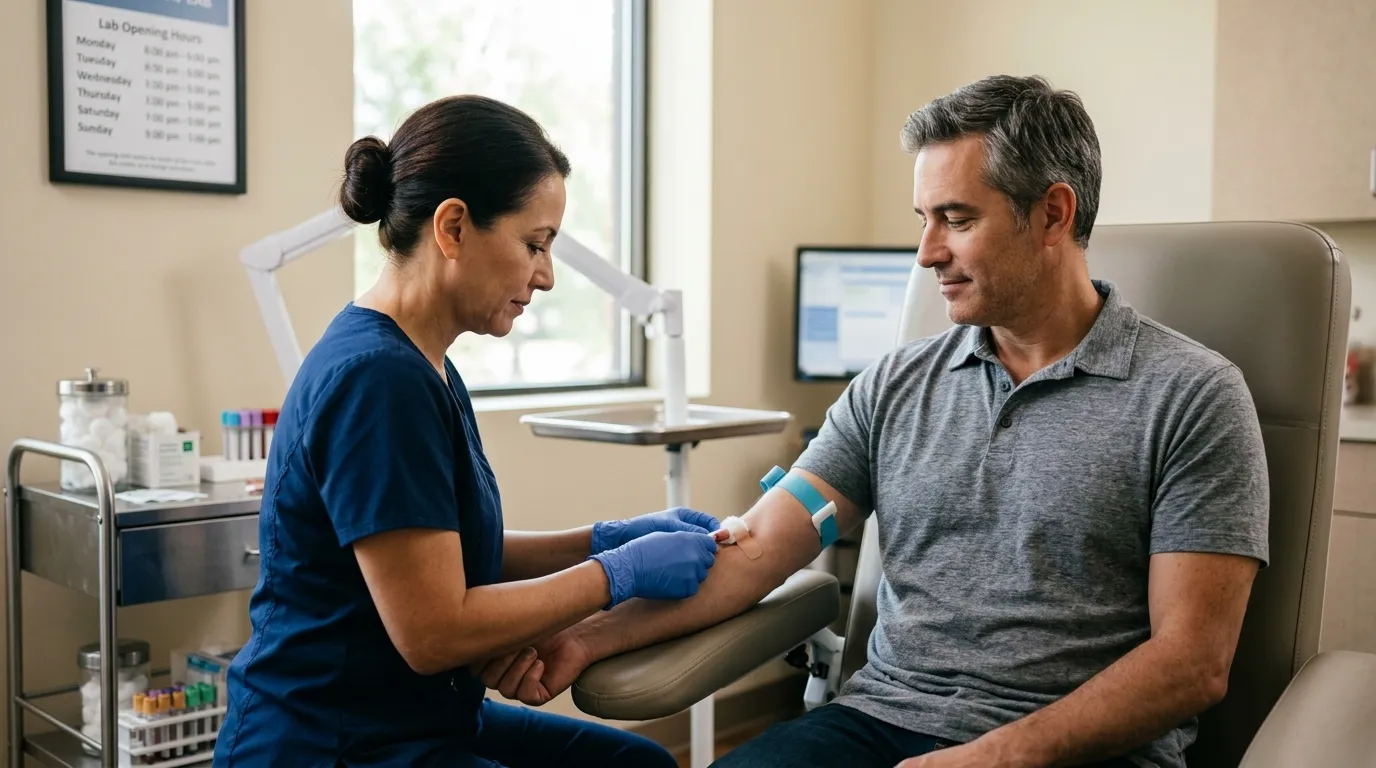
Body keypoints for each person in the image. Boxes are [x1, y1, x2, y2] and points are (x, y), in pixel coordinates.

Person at [482, 75, 1270, 768]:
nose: (925, 253)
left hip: (1076, 749)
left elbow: (1191, 663)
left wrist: (997, 756)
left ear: (1053, 214)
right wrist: (586, 635)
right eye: (924, 218)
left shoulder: (1191, 397)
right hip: (877, 723)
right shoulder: (896, 386)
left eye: (955, 218)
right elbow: (755, 554)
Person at [213, 94, 722, 768]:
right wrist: (616, 574)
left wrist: (604, 538)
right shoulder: (378, 380)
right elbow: (434, 631)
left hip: (416, 718)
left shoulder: (425, 364)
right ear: (452, 227)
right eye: (534, 244)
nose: (545, 276)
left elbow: (439, 557)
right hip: (332, 741)